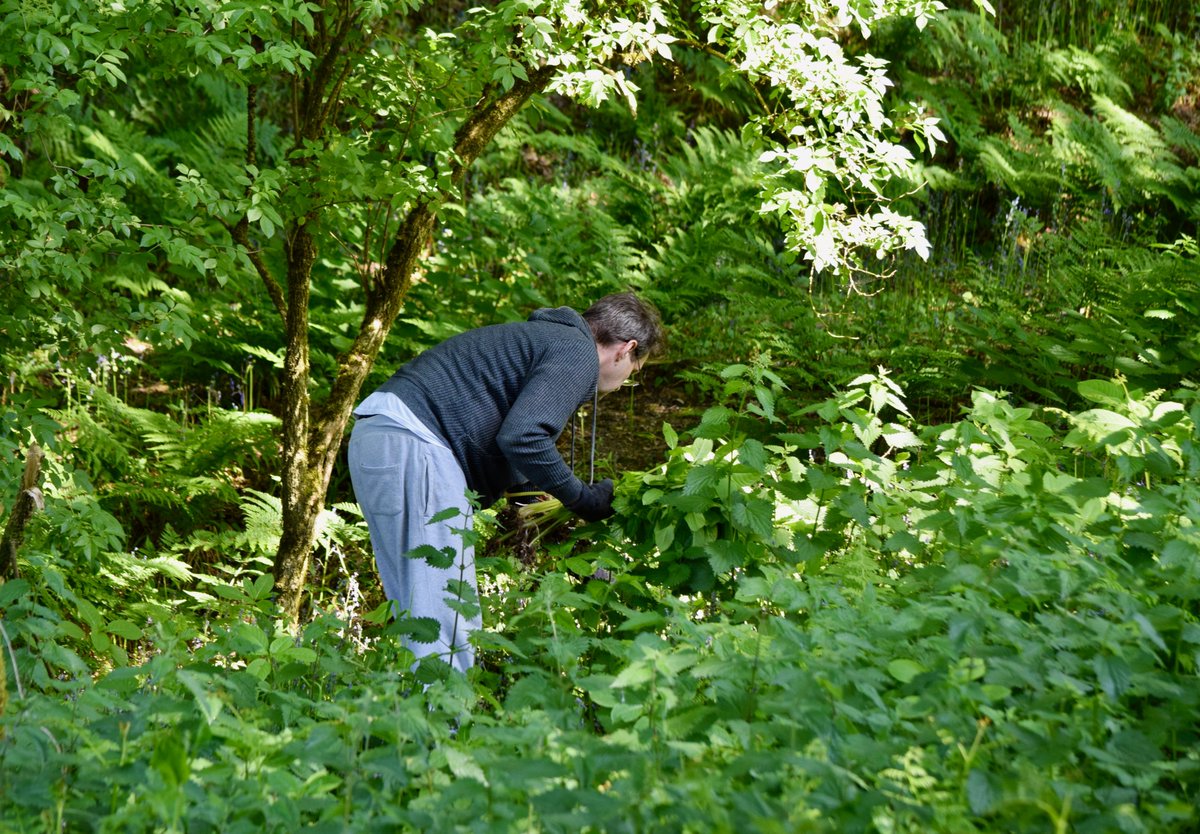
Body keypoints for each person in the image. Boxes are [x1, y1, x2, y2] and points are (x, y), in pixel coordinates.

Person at [348, 292, 664, 673]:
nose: (627, 379)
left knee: (418, 611)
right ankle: (447, 726)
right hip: (417, 444)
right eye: (636, 368)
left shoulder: (546, 339)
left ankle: (409, 721)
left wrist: (547, 508)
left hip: (379, 437)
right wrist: (581, 498)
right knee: (447, 616)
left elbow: (505, 435)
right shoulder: (577, 352)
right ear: (624, 350)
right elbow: (523, 437)